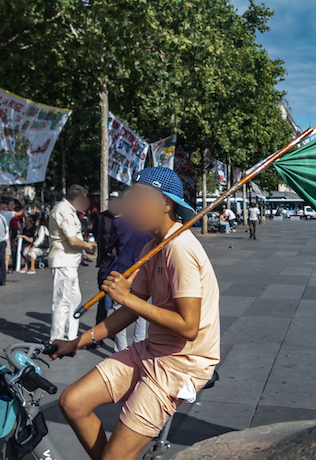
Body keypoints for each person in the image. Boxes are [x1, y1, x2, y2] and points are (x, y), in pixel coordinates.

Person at [50, 167, 220, 460]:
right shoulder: (153, 246)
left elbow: (189, 326)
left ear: (166, 204)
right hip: (152, 350)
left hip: (180, 365)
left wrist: (126, 297)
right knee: (73, 402)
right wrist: (77, 342)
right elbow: (129, 311)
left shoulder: (179, 248)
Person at [48, 185, 97, 342]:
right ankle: (56, 339)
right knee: (62, 301)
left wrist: (85, 247)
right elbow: (72, 240)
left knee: (74, 299)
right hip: (63, 262)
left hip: (69, 262)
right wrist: (88, 245)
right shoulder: (63, 209)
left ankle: (71, 336)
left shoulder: (69, 210)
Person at [103, 207, 153, 352]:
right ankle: (139, 346)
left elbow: (110, 245)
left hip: (121, 270)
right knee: (141, 311)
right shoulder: (149, 224)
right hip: (141, 271)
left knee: (119, 310)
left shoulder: (119, 222)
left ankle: (120, 349)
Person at [93, 191, 121, 328]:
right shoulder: (101, 217)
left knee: (119, 302)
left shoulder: (127, 219)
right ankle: (98, 334)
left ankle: (116, 330)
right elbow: (96, 235)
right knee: (102, 299)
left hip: (121, 266)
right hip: (105, 265)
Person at [1, 200, 28, 273]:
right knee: (7, 251)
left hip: (3, 234)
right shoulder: (8, 213)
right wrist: (25, 207)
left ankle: (3, 267)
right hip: (7, 234)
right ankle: (6, 267)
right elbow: (19, 214)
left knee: (3, 251)